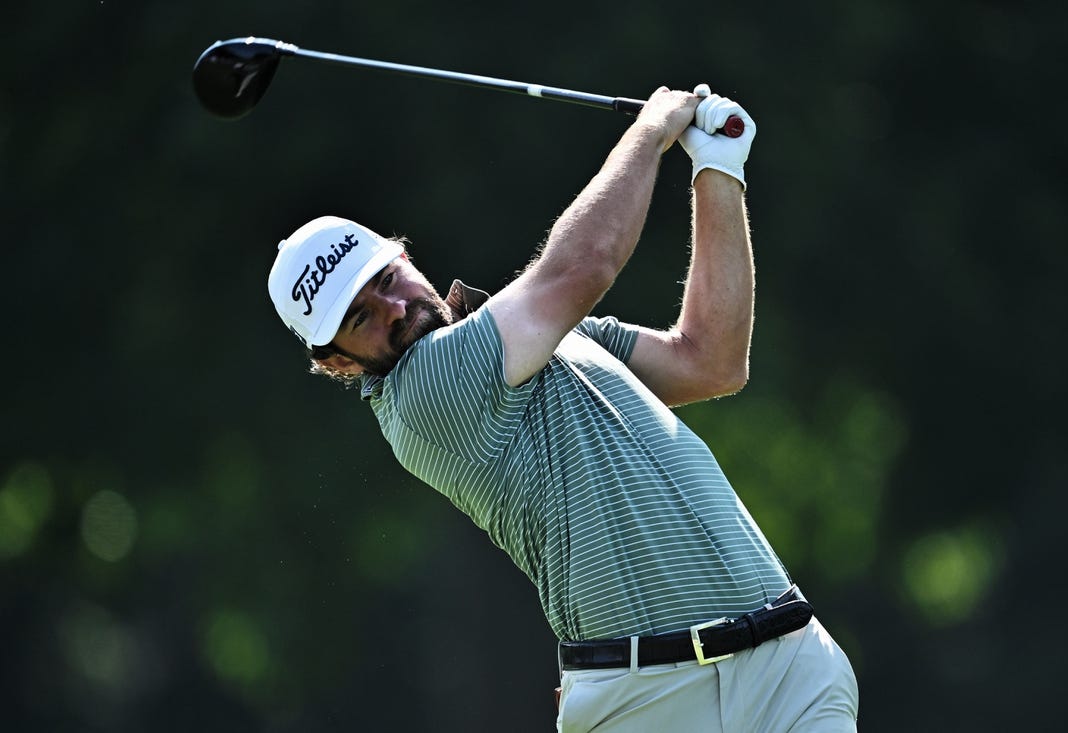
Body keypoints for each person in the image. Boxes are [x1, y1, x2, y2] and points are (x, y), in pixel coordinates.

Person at [268, 86, 858, 732]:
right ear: (339, 363)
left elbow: (710, 360)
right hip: (655, 700)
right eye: (360, 318)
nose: (395, 309)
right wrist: (652, 129)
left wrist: (718, 169)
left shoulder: (544, 338)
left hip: (789, 660)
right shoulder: (424, 393)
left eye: (386, 279)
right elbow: (584, 264)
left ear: (404, 254)